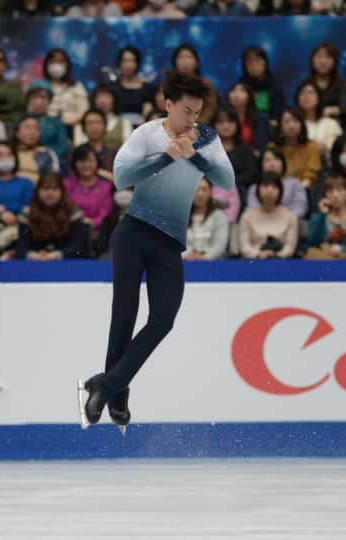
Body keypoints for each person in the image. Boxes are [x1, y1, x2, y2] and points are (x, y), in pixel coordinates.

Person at [79, 69, 235, 432]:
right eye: (186, 111)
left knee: (164, 319)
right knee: (124, 315)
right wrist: (166, 157)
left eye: (197, 112)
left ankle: (104, 384)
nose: (192, 119)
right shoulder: (146, 134)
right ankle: (117, 396)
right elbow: (121, 178)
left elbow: (226, 181)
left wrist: (194, 155)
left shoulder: (207, 138)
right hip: (133, 233)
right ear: (168, 105)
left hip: (169, 243)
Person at [16, 172, 89, 259]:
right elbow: (21, 249)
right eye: (45, 189)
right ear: (37, 191)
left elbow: (78, 248)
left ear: (62, 191)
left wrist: (56, 255)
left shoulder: (73, 212)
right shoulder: (27, 213)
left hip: (67, 264)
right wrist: (34, 255)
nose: (50, 193)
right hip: (35, 263)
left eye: (55, 189)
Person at [239, 172, 299, 259]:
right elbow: (244, 247)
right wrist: (259, 254)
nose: (269, 190)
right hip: (253, 262)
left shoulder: (291, 217)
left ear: (280, 191)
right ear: (258, 190)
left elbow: (290, 247)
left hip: (282, 262)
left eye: (274, 187)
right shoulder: (246, 216)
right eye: (265, 186)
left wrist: (276, 255)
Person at [306, 176, 346, 259]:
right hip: (323, 259)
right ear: (325, 196)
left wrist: (340, 250)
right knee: (312, 252)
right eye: (330, 191)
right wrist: (321, 215)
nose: (335, 195)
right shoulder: (317, 217)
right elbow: (312, 242)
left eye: (339, 190)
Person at [63, 144, 114, 236]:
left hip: (98, 232)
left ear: (97, 162)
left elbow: (105, 212)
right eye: (82, 161)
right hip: (71, 230)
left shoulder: (106, 186)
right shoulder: (66, 184)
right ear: (75, 163)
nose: (86, 164)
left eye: (90, 161)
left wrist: (93, 223)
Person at [245, 147, 307, 218]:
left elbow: (300, 208)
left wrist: (281, 219)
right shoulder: (254, 187)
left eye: (276, 159)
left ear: (283, 163)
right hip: (261, 224)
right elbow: (252, 210)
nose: (272, 163)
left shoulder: (295, 184)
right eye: (267, 160)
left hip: (288, 222)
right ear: (261, 165)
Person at [272, 108, 322, 190]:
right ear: (280, 125)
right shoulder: (273, 147)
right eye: (287, 121)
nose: (291, 125)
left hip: (305, 190)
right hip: (277, 190)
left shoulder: (311, 147)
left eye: (295, 121)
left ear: (302, 124)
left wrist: (296, 191)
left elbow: (311, 175)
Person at [298, 43, 346, 121]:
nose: (323, 61)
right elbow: (298, 107)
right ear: (312, 61)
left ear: (334, 62)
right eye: (319, 57)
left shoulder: (341, 84)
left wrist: (331, 110)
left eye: (328, 58)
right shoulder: (304, 84)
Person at [214, 108, 257, 200]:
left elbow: (251, 174)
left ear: (237, 124)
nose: (226, 126)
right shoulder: (208, 149)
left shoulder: (246, 149)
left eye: (230, 122)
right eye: (221, 122)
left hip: (240, 192)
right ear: (214, 125)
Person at [25, 79, 69, 168]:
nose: (38, 101)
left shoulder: (57, 123)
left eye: (43, 98)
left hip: (52, 165)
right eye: (34, 97)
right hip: (26, 163)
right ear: (28, 100)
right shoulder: (20, 122)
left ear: (49, 100)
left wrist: (44, 153)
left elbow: (62, 148)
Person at [184, 177, 229, 260]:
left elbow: (220, 244)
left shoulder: (219, 216)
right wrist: (188, 255)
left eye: (204, 190)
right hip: (186, 262)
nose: (200, 194)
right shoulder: (182, 216)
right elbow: (177, 244)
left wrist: (204, 257)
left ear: (210, 192)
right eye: (196, 190)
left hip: (214, 263)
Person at [171, 44, 218, 124]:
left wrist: (196, 125)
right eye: (181, 57)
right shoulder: (168, 83)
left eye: (189, 57)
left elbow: (210, 107)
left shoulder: (205, 83)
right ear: (175, 62)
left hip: (199, 126)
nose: (185, 61)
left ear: (197, 63)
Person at [43, 49, 89, 128]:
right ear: (46, 64)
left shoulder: (76, 86)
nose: (57, 65)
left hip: (72, 129)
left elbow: (84, 110)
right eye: (53, 61)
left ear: (68, 65)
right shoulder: (41, 86)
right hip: (45, 129)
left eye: (61, 62)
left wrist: (64, 123)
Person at [109, 47, 155, 123]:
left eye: (132, 61)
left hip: (141, 128)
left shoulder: (147, 89)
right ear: (119, 63)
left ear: (137, 63)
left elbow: (148, 113)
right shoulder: (112, 88)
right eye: (125, 61)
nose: (128, 65)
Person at [295, 80, 342, 155]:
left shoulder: (330, 124)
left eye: (310, 93)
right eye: (302, 93)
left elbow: (338, 149)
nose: (306, 96)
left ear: (319, 98)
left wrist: (324, 148)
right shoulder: (293, 123)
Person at [239, 46, 285, 121]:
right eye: (250, 61)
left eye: (257, 60)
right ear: (244, 65)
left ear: (265, 62)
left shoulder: (274, 84)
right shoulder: (240, 86)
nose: (254, 65)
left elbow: (279, 111)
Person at [13, 115, 60, 184]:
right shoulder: (9, 152)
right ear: (17, 132)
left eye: (36, 129)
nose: (32, 132)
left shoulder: (47, 153)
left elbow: (54, 179)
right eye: (27, 128)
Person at [225, 81, 270, 152]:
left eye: (242, 91)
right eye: (233, 90)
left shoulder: (261, 119)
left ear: (249, 96)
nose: (236, 94)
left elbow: (264, 144)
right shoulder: (221, 119)